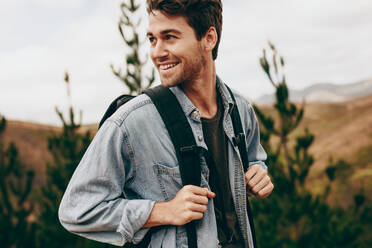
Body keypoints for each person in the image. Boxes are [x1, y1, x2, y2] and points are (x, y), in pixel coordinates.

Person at [58, 0, 274, 247]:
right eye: (152, 39)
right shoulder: (130, 122)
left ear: (209, 38)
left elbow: (255, 159)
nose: (156, 52)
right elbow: (76, 210)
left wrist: (259, 173)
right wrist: (162, 211)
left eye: (169, 37)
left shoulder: (241, 109)